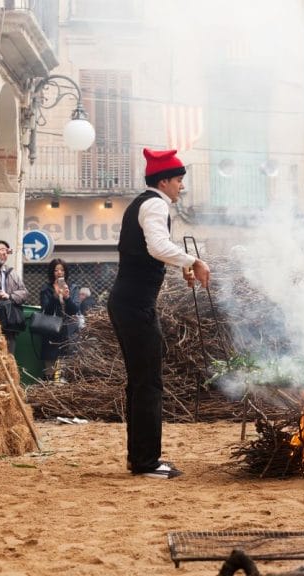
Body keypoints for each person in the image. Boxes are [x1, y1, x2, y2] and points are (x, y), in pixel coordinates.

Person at [107, 148, 210, 480]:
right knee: (148, 383)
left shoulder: (145, 202)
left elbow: (154, 250)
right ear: (164, 181)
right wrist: (193, 261)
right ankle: (147, 463)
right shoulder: (154, 204)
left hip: (130, 302)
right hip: (134, 305)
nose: (182, 187)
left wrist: (180, 264)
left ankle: (140, 458)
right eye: (179, 181)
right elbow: (157, 246)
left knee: (142, 382)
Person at [39, 258, 80, 379]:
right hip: (51, 332)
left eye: (62, 270)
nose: (59, 272)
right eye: (56, 270)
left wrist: (67, 298)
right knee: (50, 370)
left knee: (67, 370)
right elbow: (46, 310)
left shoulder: (73, 288)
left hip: (68, 332)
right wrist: (55, 296)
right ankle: (49, 393)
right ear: (52, 272)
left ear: (66, 272)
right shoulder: (46, 289)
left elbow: (75, 310)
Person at [0, 239, 29, 354]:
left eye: (4, 250)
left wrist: (9, 296)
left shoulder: (12, 273)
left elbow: (24, 293)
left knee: (9, 354)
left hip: (9, 320)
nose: (3, 253)